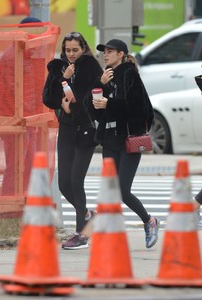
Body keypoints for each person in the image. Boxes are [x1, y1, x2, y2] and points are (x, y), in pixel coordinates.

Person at [93, 39, 160, 248]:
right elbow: (96, 111)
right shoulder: (107, 76)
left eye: (110, 51)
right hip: (109, 140)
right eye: (104, 52)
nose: (106, 55)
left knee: (122, 189)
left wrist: (109, 103)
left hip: (128, 140)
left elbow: (137, 108)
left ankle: (149, 221)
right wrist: (100, 86)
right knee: (110, 190)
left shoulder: (129, 74)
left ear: (121, 54)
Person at [43, 32, 103, 249]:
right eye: (68, 50)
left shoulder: (90, 66)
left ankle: (81, 234)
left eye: (75, 50)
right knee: (63, 183)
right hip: (67, 129)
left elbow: (93, 98)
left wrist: (72, 105)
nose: (71, 54)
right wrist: (62, 78)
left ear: (83, 49)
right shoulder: (58, 67)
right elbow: (49, 99)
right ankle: (88, 215)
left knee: (77, 181)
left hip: (86, 130)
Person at [0, 16, 41, 195]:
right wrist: (27, 118)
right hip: (17, 122)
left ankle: (21, 204)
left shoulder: (24, 54)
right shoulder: (12, 57)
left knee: (27, 164)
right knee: (16, 167)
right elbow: (10, 93)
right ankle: (9, 208)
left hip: (25, 121)